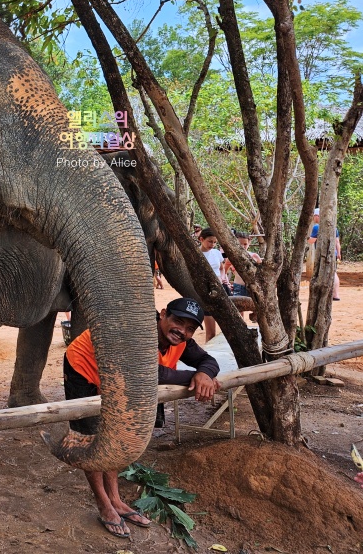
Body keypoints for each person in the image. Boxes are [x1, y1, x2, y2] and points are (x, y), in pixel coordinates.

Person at [57, 297, 220, 539]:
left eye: (189, 328)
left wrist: (204, 374)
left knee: (112, 434)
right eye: (177, 321)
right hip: (85, 368)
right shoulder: (139, 331)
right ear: (163, 315)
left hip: (116, 378)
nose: (182, 331)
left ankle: (116, 500)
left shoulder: (182, 341)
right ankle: (104, 505)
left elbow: (209, 361)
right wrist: (193, 377)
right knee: (89, 438)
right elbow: (151, 372)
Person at [199, 227, 230, 341]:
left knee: (229, 325)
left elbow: (221, 268)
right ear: (201, 239)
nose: (212, 244)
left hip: (222, 289)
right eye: (210, 241)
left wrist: (224, 278)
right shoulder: (196, 254)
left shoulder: (217, 253)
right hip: (207, 292)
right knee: (211, 332)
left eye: (215, 242)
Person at [309, 208, 342, 300]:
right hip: (333, 253)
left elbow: (311, 241)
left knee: (323, 273)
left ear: (317, 216)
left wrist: (307, 237)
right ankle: (335, 294)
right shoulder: (334, 227)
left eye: (314, 216)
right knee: (333, 272)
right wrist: (338, 253)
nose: (313, 218)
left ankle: (326, 294)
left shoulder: (317, 227)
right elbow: (337, 242)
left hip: (323, 254)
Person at [224, 229, 262, 297]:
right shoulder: (231, 258)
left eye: (245, 244)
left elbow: (262, 273)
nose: (242, 246)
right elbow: (223, 271)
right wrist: (227, 283)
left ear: (249, 243)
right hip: (238, 287)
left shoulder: (255, 256)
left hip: (254, 288)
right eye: (240, 244)